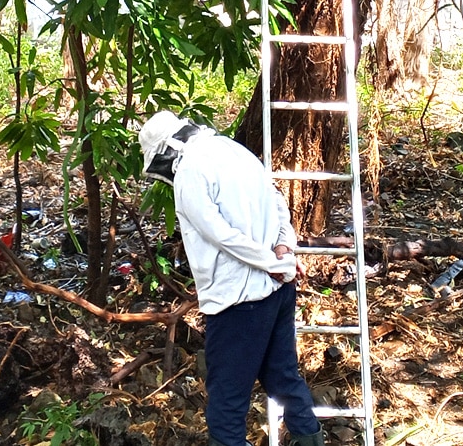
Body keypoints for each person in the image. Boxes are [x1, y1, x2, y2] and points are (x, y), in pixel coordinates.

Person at [138, 111, 324, 446]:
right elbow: (277, 200)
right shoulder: (234, 149)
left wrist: (270, 260)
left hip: (239, 300)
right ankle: (309, 436)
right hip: (278, 290)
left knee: (227, 398)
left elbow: (220, 234)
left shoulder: (190, 172)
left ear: (167, 150)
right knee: (282, 377)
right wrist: (284, 246)